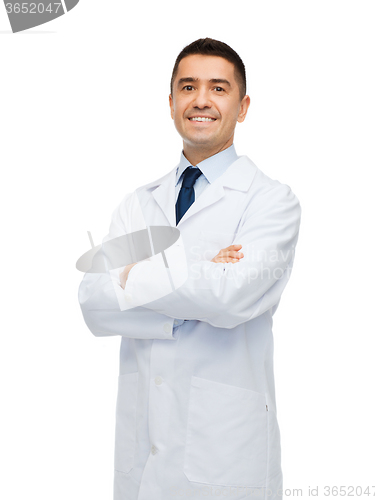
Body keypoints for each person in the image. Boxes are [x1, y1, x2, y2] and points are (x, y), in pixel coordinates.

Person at [78, 38, 301, 500]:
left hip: (226, 455)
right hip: (143, 458)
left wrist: (129, 275)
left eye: (218, 88)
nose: (201, 99)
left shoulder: (271, 201)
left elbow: (232, 296)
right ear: (172, 103)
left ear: (242, 107)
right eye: (188, 87)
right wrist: (201, 268)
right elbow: (94, 306)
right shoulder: (138, 203)